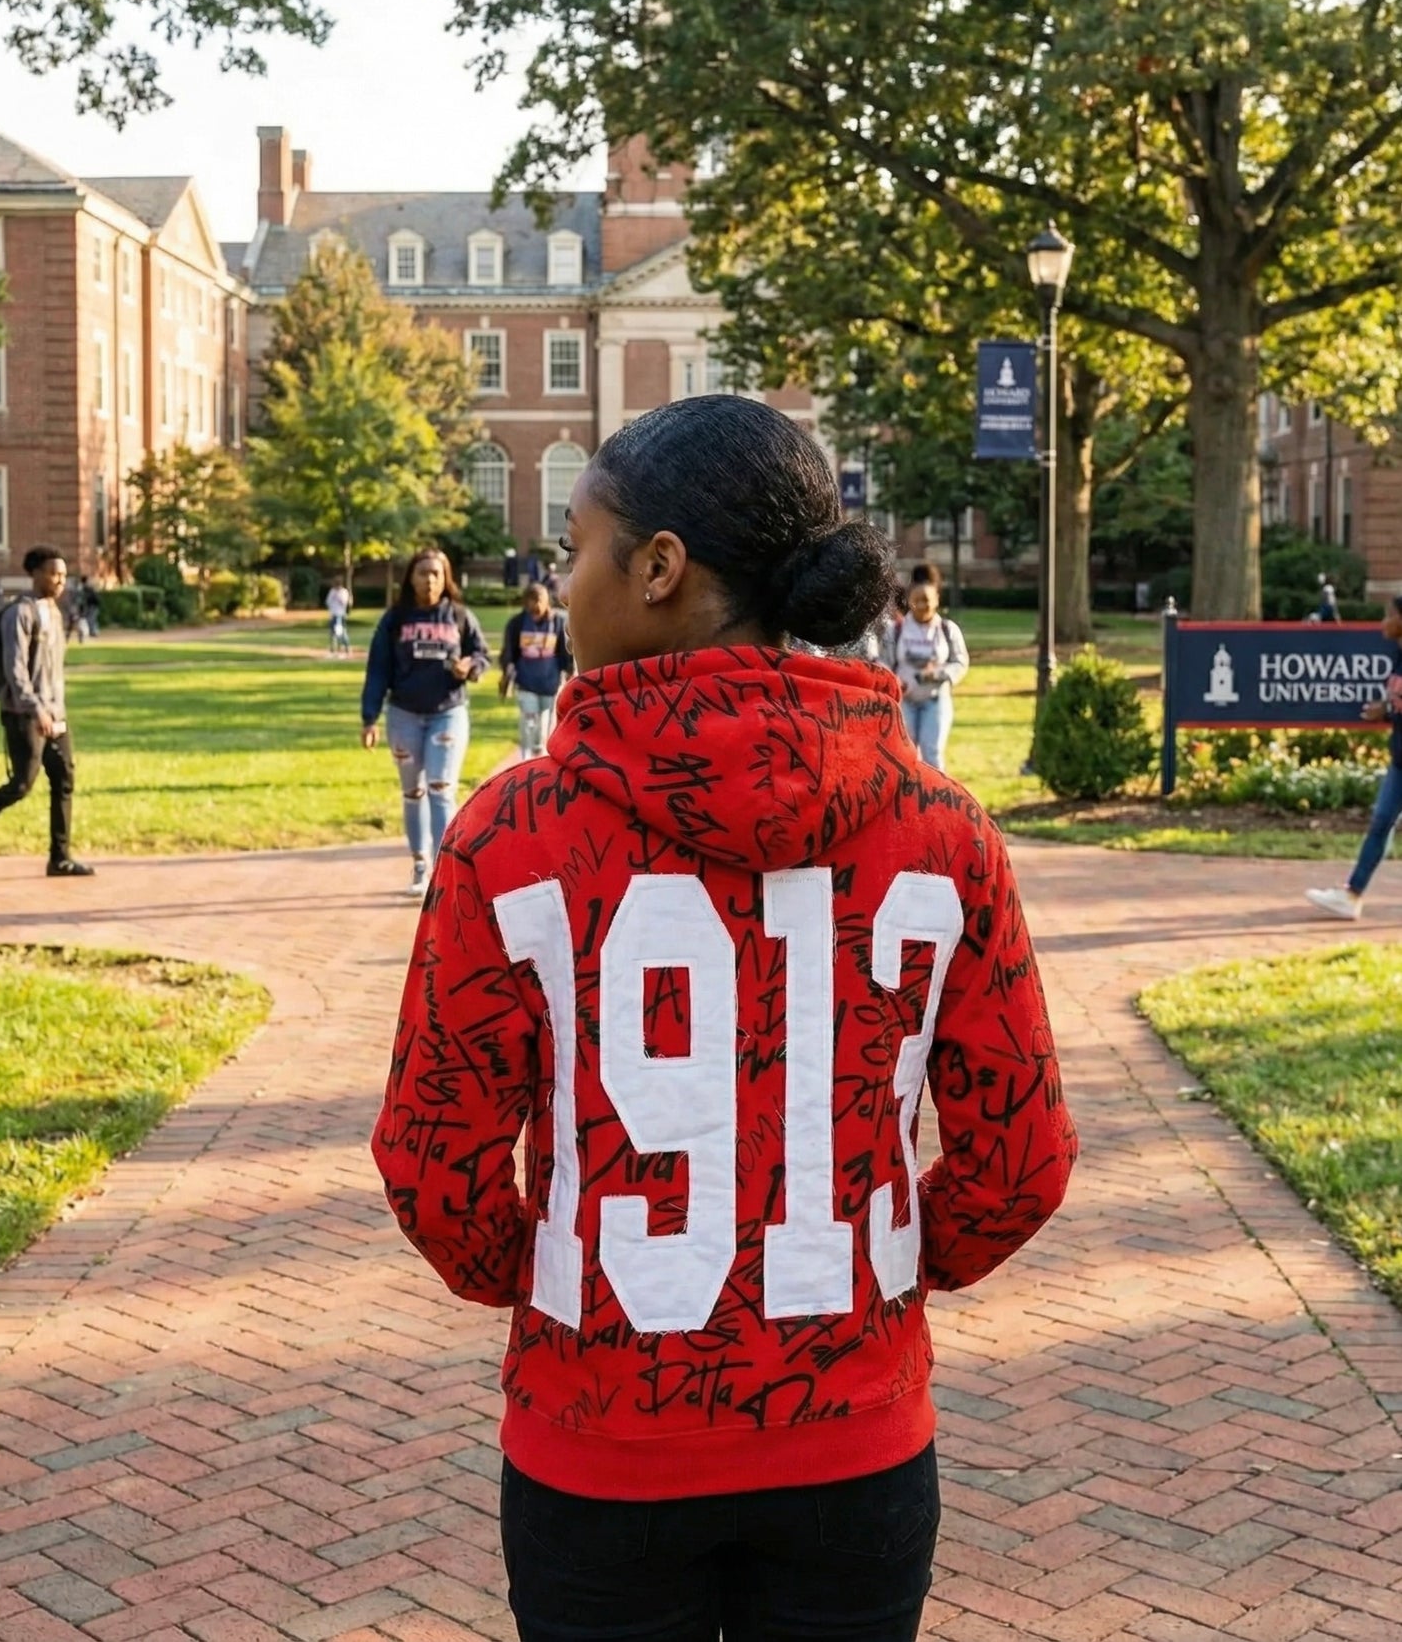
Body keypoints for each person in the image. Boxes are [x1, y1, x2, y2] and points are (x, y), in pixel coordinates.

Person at [372, 396, 1076, 1642]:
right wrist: (894, 1266)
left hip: (600, 1437)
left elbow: (434, 1160)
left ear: (658, 569)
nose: (559, 578)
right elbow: (1021, 1158)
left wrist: (539, 1277)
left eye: (576, 546)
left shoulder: (511, 833)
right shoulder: (942, 828)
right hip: (852, 1431)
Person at [360, 547, 491, 898]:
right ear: (411, 577)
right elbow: (378, 670)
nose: (429, 579)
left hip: (447, 714)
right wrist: (368, 718)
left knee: (440, 789)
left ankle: (443, 873)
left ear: (445, 577)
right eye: (422, 573)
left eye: (436, 573)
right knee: (413, 793)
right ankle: (420, 865)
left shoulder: (459, 616)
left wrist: (471, 667)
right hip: (403, 715)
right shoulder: (395, 620)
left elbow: (482, 654)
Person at [0, 546, 95, 879]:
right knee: (21, 785)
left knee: (64, 779)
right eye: (53, 572)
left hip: (55, 714)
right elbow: (16, 671)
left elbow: (53, 671)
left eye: (63, 574)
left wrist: (56, 712)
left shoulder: (55, 612)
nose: (60, 579)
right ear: (34, 573)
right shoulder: (19, 614)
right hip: (23, 714)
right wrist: (36, 711)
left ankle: (59, 858)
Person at [1307, 595, 1402, 919]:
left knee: (1381, 824)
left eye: (1388, 615)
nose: (1382, 623)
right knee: (1380, 823)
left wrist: (1387, 709)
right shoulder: (1398, 656)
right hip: (1400, 759)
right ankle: (1351, 896)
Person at [886, 571, 969, 770]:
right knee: (905, 756)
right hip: (905, 702)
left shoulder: (948, 630)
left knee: (932, 755)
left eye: (927, 600)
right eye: (917, 600)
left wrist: (939, 673)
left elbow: (960, 662)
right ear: (909, 601)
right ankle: (908, 799)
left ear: (937, 600)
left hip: (935, 700)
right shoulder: (896, 630)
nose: (922, 605)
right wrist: (893, 681)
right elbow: (883, 661)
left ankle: (936, 800)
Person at [499, 582, 573, 758]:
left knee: (545, 727)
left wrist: (569, 671)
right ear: (526, 602)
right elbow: (508, 651)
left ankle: (539, 756)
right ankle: (524, 759)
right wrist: (508, 668)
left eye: (539, 600)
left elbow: (566, 652)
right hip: (526, 684)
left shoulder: (557, 623)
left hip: (550, 684)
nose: (536, 605)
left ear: (547, 601)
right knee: (528, 723)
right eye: (532, 601)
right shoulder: (517, 624)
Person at [326, 577, 353, 657]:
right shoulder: (332, 591)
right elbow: (328, 601)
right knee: (332, 633)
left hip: (340, 615)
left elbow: (344, 602)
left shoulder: (344, 592)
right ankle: (332, 650)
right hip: (333, 615)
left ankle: (347, 649)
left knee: (341, 633)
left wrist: (338, 596)